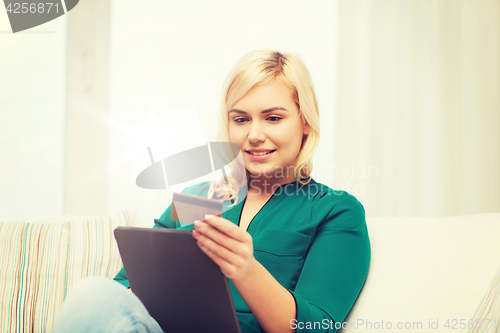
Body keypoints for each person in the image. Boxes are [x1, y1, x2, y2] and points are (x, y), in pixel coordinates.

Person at [51, 49, 371, 333]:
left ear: (305, 122)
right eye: (241, 119)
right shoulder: (200, 197)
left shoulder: (335, 211)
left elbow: (314, 328)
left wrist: (246, 269)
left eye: (273, 118)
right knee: (93, 293)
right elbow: (124, 287)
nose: (255, 135)